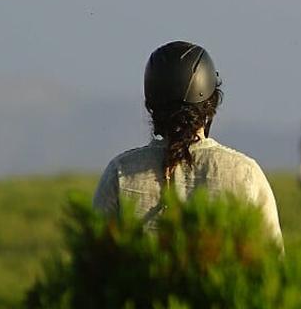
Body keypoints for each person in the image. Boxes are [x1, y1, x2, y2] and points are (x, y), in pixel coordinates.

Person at [93, 41, 283, 247]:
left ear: (151, 105)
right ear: (211, 103)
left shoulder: (120, 172)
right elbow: (272, 264)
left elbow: (92, 262)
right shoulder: (245, 173)